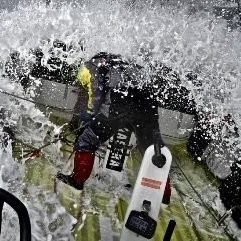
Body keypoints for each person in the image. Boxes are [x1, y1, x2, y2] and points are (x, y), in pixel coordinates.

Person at [56, 52, 182, 204]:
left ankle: (77, 180)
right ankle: (164, 196)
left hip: (118, 103)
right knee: (156, 152)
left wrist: (91, 113)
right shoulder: (135, 61)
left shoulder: (91, 65)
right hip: (146, 107)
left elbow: (97, 91)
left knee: (88, 140)